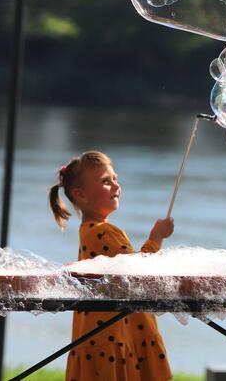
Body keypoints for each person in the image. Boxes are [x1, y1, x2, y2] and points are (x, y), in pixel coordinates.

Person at [49, 151, 174, 381]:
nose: (116, 185)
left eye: (115, 179)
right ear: (81, 195)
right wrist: (156, 237)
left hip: (103, 332)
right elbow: (137, 270)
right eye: (106, 181)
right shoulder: (103, 232)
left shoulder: (88, 230)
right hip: (114, 334)